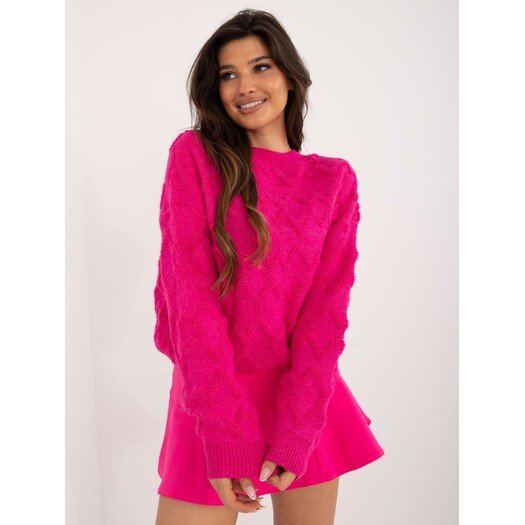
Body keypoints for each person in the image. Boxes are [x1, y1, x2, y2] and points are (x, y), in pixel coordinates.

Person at [153, 8, 385, 525]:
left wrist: (298, 429)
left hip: (302, 402)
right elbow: (189, 298)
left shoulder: (333, 182)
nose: (245, 86)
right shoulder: (195, 156)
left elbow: (325, 317)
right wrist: (223, 432)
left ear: (289, 76)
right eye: (228, 74)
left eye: (260, 67)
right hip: (209, 398)